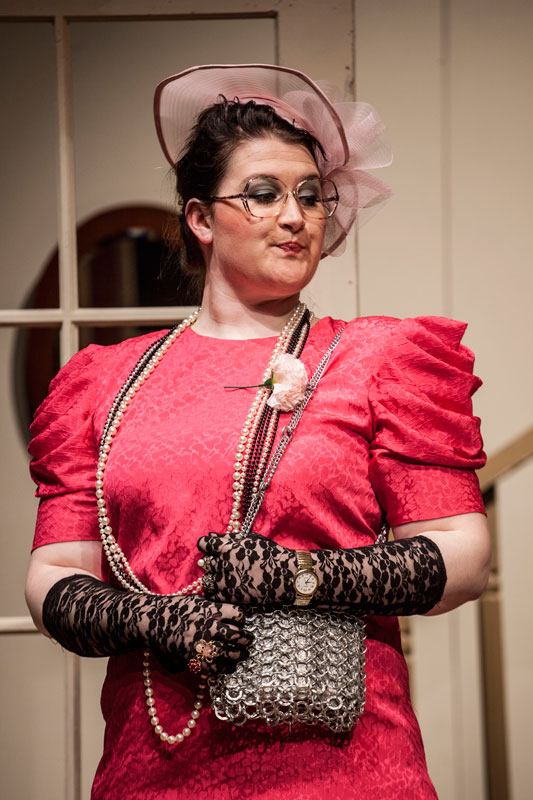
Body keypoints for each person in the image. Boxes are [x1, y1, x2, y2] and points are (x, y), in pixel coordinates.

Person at [25, 64, 490, 799]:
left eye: (311, 195)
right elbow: (53, 575)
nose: (295, 216)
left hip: (344, 769)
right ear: (201, 218)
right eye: (264, 194)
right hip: (155, 767)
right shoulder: (104, 380)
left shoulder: (379, 358)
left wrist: (302, 577)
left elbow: (462, 556)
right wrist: (150, 620)